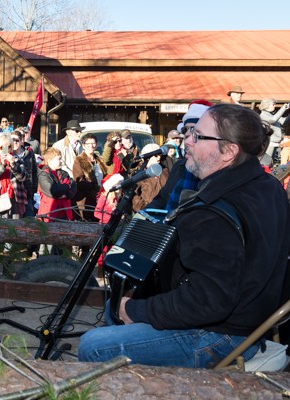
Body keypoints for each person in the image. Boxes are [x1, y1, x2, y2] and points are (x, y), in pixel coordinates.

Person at [78, 103, 290, 368]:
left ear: (229, 151)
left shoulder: (214, 212)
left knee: (94, 345)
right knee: (119, 305)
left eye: (197, 136)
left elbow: (208, 302)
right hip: (254, 319)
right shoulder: (268, 186)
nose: (186, 141)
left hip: (224, 335)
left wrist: (135, 310)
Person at [148, 100, 213, 211]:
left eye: (193, 130)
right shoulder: (179, 166)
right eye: (185, 130)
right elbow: (163, 197)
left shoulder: (215, 170)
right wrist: (142, 215)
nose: (187, 137)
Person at [72, 132, 107, 221]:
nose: (91, 146)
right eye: (88, 144)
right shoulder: (79, 160)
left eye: (93, 143)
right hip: (85, 200)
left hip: (100, 198)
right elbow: (79, 180)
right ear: (83, 145)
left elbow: (105, 176)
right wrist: (95, 187)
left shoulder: (99, 160)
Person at [131, 143, 169, 212]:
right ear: (147, 157)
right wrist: (144, 208)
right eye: (156, 155)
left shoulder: (164, 171)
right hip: (146, 213)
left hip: (164, 212)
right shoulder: (139, 173)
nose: (159, 158)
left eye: (160, 155)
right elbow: (134, 195)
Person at [11, 129, 38, 217]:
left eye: (16, 140)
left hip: (27, 191)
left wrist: (33, 190)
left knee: (29, 218)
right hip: (14, 193)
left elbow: (34, 171)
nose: (14, 142)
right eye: (12, 140)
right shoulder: (7, 152)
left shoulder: (29, 153)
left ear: (21, 141)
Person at [258, 98, 289, 165]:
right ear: (267, 105)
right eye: (273, 104)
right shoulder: (264, 115)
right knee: (267, 163)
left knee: (272, 163)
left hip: (275, 143)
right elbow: (273, 120)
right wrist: (283, 108)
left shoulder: (270, 115)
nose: (274, 106)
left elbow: (284, 121)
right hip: (269, 143)